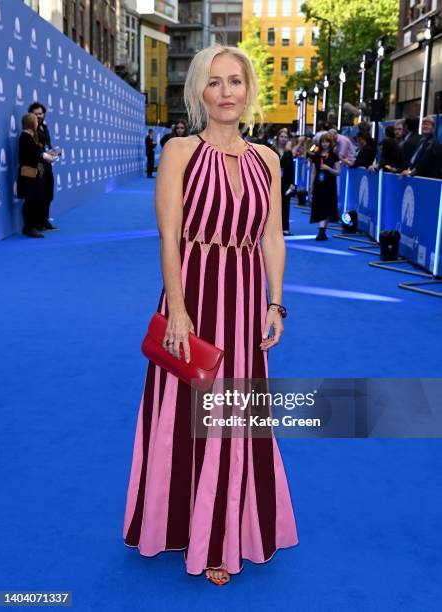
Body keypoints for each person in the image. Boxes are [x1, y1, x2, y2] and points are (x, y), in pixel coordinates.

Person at [123, 44, 298, 586]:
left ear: (249, 90)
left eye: (236, 82)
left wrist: (275, 302)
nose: (226, 92)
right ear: (199, 91)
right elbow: (169, 238)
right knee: (186, 412)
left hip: (245, 299)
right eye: (215, 82)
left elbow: (272, 236)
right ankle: (185, 527)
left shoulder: (267, 158)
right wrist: (177, 311)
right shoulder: (180, 151)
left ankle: (226, 531)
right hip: (195, 295)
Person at [16, 113, 52, 238]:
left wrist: (46, 156)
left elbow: (37, 153)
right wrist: (45, 156)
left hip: (34, 173)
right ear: (31, 123)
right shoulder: (25, 137)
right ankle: (29, 227)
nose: (38, 123)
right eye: (36, 121)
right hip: (28, 174)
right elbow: (35, 154)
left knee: (34, 200)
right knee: (30, 201)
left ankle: (32, 225)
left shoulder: (30, 137)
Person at [28, 102, 59, 231]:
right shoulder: (31, 130)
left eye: (41, 113)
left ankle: (44, 220)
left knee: (48, 194)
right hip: (37, 167)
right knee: (38, 196)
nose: (39, 116)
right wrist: (44, 154)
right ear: (31, 115)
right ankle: (36, 223)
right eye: (36, 114)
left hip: (47, 166)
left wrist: (53, 152)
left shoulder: (44, 128)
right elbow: (34, 149)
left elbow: (47, 144)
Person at [309, 132, 341, 240]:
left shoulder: (334, 156)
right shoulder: (316, 156)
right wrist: (311, 186)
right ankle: (321, 231)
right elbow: (313, 172)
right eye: (323, 142)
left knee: (328, 208)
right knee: (319, 207)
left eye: (327, 142)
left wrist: (328, 169)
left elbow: (338, 172)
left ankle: (322, 230)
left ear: (330, 143)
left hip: (330, 185)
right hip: (319, 184)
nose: (324, 144)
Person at [273, 128, 294, 235]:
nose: (283, 139)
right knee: (273, 205)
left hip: (285, 182)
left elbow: (291, 169)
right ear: (278, 137)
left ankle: (285, 227)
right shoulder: (272, 149)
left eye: (285, 137)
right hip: (273, 181)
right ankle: (273, 228)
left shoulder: (289, 152)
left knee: (285, 205)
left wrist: (292, 183)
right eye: (281, 136)